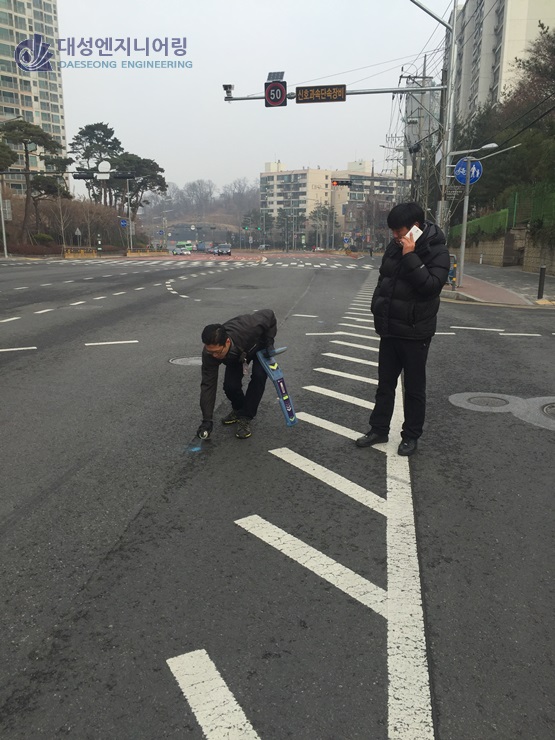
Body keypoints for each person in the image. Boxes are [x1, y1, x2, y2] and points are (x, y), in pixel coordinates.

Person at [356, 202, 449, 456]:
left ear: (415, 227)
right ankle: (378, 429)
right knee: (385, 384)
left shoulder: (437, 251)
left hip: (416, 331)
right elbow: (383, 280)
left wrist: (410, 256)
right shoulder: (394, 247)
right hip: (390, 328)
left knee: (414, 388)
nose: (395, 236)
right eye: (393, 231)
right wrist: (377, 306)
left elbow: (430, 287)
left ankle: (411, 436)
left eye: (399, 231)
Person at [196, 309, 277, 440]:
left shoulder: (249, 326)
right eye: (211, 352)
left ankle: (245, 417)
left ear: (227, 342)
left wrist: (269, 341)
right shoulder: (209, 354)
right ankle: (239, 410)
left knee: (259, 376)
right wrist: (207, 420)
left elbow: (269, 314)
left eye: (217, 352)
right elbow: (208, 385)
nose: (214, 356)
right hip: (237, 356)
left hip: (259, 346)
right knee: (230, 386)